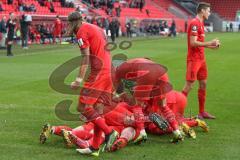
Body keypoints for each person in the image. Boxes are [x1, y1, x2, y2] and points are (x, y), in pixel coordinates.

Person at [66, 11, 118, 156]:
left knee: (82, 106)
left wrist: (78, 79)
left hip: (99, 73)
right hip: (109, 70)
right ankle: (95, 147)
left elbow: (85, 58)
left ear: (72, 23)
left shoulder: (81, 32)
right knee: (97, 110)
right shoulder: (96, 28)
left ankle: (109, 132)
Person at [182, 2, 220, 119]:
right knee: (189, 85)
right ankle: (177, 112)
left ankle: (202, 112)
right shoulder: (194, 23)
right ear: (202, 11)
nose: (209, 12)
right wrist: (210, 42)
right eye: (208, 10)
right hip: (194, 60)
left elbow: (199, 43)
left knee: (203, 84)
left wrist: (211, 46)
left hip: (201, 60)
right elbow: (193, 43)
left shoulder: (201, 23)